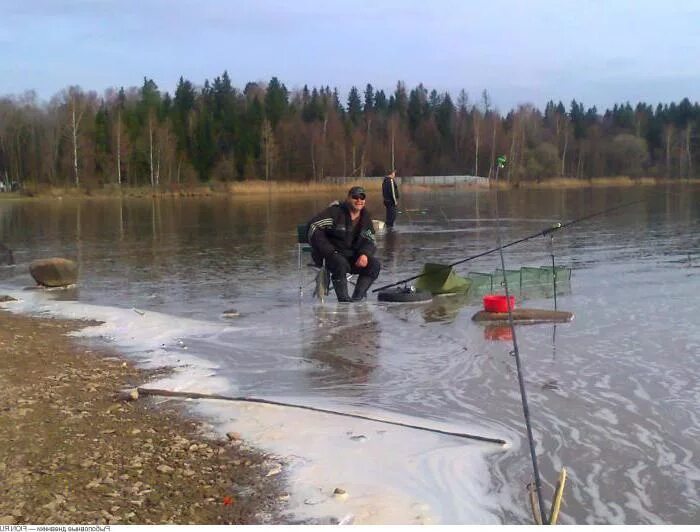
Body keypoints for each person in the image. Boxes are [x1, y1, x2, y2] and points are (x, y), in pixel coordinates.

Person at [306, 186, 381, 302]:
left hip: (352, 257)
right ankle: (344, 301)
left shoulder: (366, 218)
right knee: (339, 263)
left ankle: (357, 299)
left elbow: (370, 240)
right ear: (348, 198)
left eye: (362, 197)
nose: (359, 200)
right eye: (355, 197)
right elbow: (313, 227)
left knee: (374, 265)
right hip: (330, 256)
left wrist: (365, 254)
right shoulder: (335, 212)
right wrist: (329, 251)